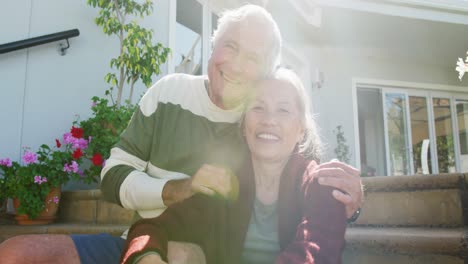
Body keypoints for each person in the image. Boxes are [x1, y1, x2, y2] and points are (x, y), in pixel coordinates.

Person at [0, 4, 362, 264]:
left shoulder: (257, 126)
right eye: (230, 47)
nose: (235, 64)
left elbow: (308, 186)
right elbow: (112, 178)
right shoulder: (169, 93)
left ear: (265, 73)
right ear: (213, 46)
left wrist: (349, 198)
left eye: (252, 58)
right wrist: (176, 191)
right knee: (14, 253)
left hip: (200, 249)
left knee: (183, 253)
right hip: (146, 237)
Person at [121, 68, 348, 264]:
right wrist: (145, 257)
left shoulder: (321, 185)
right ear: (244, 123)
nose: (269, 119)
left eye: (283, 110)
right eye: (258, 107)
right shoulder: (225, 183)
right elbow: (153, 228)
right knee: (178, 253)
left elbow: (316, 254)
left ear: (300, 129)